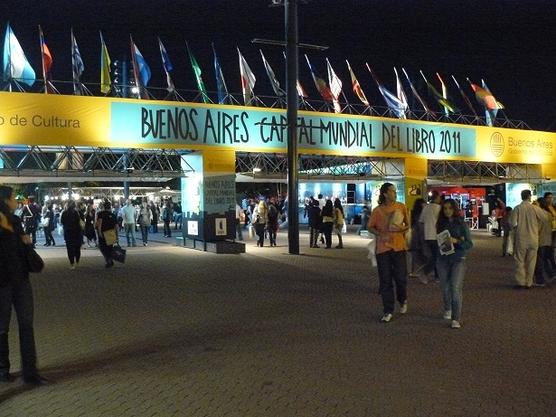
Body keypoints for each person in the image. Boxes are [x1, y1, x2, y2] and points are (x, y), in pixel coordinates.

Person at [0, 186, 47, 385]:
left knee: (26, 325)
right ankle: (3, 370)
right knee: (1, 328)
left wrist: (26, 243)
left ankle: (30, 372)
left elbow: (25, 247)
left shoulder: (16, 220)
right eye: (13, 197)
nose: (16, 201)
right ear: (5, 200)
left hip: (21, 280)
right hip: (2, 282)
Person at [367, 182, 409, 323]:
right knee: (385, 280)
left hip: (399, 247)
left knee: (400, 278)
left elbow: (408, 225)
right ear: (385, 193)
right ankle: (388, 310)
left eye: (395, 191)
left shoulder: (401, 207)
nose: (395, 193)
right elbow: (370, 227)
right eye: (392, 191)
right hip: (383, 248)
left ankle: (402, 299)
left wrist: (401, 228)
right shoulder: (377, 211)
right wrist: (379, 234)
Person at [436, 199, 473, 329]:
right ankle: (447, 308)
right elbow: (437, 241)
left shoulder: (461, 224)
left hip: (458, 258)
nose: (447, 211)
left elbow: (469, 243)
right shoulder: (440, 223)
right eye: (445, 208)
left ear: (455, 209)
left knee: (455, 288)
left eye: (450, 208)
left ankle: (456, 318)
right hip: (442, 258)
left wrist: (457, 241)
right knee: (445, 288)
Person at [511, 189, 545, 289]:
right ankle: (529, 283)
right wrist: (537, 227)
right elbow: (544, 219)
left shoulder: (517, 208)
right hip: (534, 238)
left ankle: (521, 282)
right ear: (529, 196)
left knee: (519, 260)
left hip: (521, 238)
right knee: (531, 261)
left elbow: (512, 223)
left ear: (521, 196)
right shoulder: (535, 208)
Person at [419, 191, 442, 283]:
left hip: (428, 235)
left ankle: (437, 275)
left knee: (434, 256)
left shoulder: (426, 208)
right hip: (437, 235)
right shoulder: (439, 208)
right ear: (436, 198)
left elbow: (421, 221)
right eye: (439, 197)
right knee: (436, 257)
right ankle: (426, 272)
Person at [534, 197, 554, 286]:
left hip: (540, 240)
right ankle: (550, 274)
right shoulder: (549, 214)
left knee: (539, 261)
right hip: (548, 240)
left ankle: (540, 279)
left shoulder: (539, 215)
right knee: (545, 259)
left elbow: (537, 228)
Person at [60, 201, 83, 270]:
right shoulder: (76, 212)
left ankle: (72, 263)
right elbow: (79, 221)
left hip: (68, 232)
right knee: (77, 247)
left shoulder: (64, 213)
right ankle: (77, 261)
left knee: (69, 248)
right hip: (76, 232)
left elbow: (62, 222)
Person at [408, 198, 427, 280]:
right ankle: (417, 271)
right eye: (424, 203)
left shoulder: (412, 212)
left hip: (414, 234)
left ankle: (414, 271)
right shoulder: (420, 214)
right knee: (419, 253)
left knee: (416, 253)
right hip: (418, 235)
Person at [96, 201, 118, 268]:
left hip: (103, 232)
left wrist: (99, 232)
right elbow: (116, 226)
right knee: (110, 248)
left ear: (104, 207)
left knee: (102, 247)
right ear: (110, 207)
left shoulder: (100, 214)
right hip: (111, 232)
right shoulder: (113, 215)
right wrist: (116, 235)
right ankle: (109, 259)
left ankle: (108, 259)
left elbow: (99, 224)